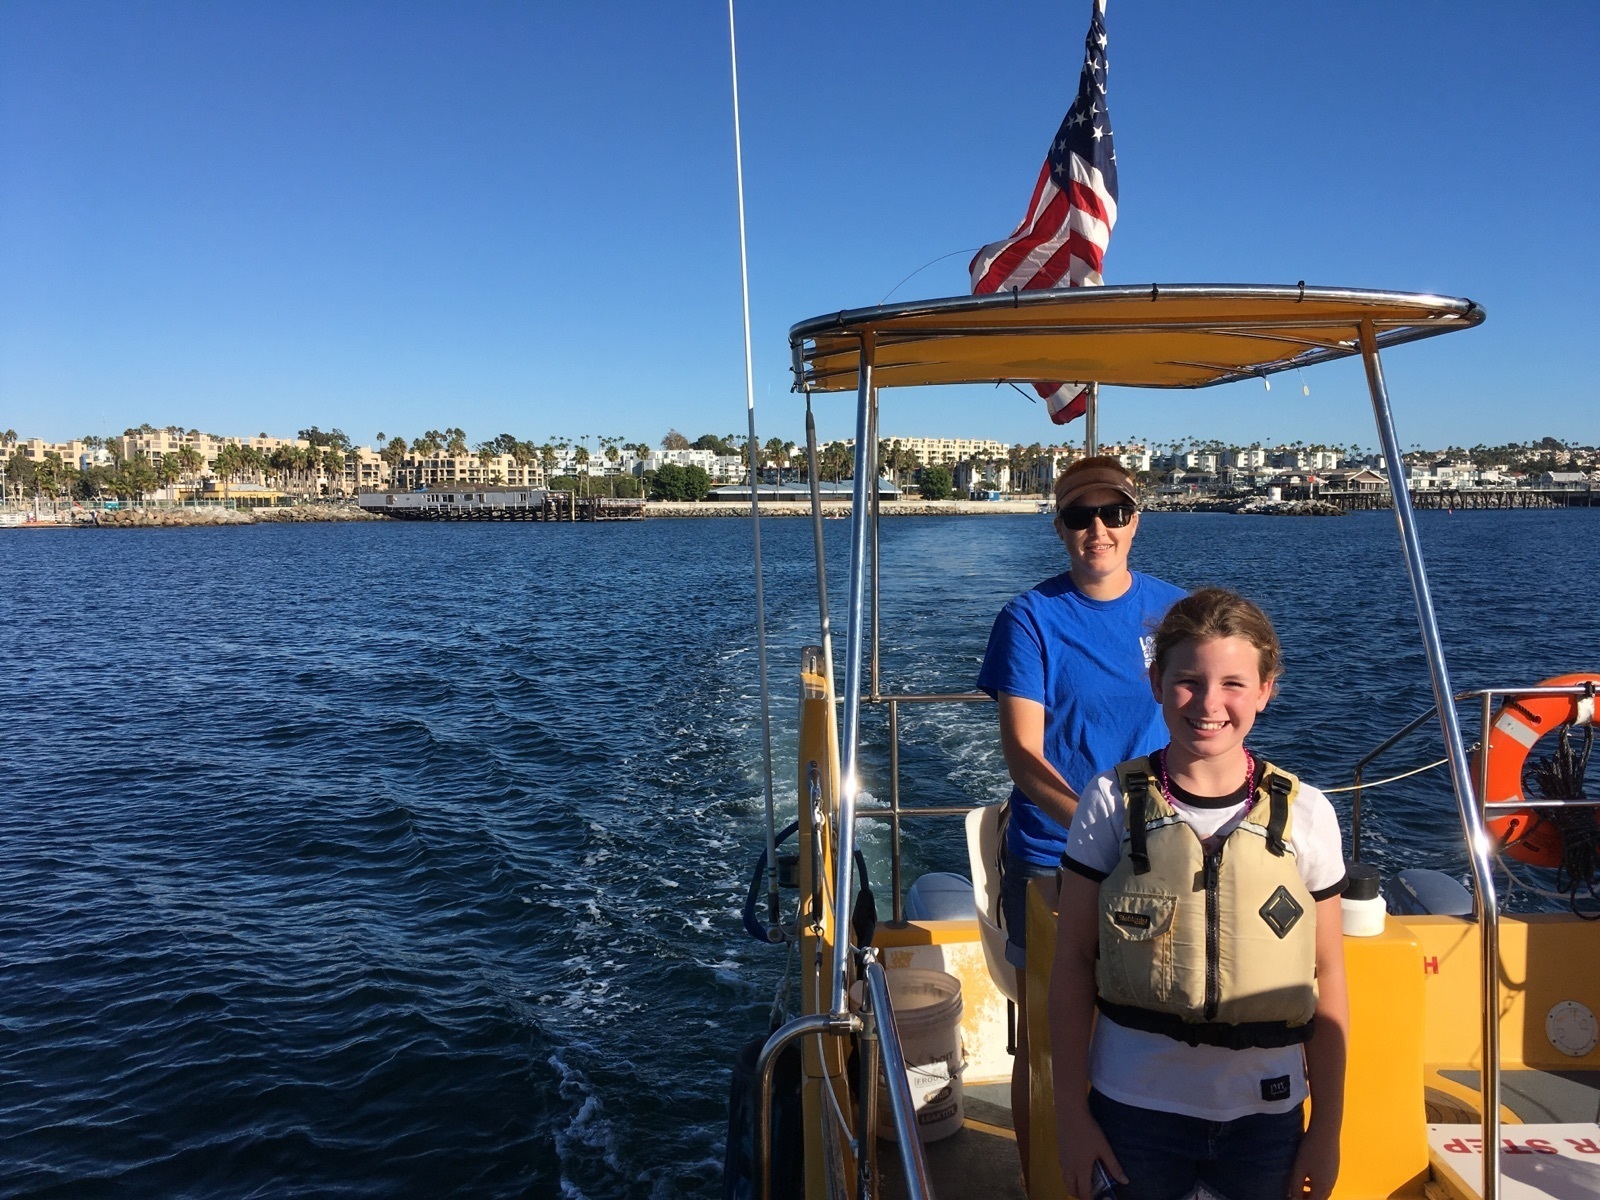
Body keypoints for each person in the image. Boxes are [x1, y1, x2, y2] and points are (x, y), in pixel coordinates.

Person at [1049, 589, 1349, 1200]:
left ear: (1266, 689)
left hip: (1267, 1117)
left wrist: (1327, 1129)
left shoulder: (1309, 814)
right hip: (1133, 1109)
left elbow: (1329, 974)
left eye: (1234, 683)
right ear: (1156, 681)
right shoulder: (1110, 803)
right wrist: (1071, 1117)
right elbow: (1074, 962)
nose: (1210, 703)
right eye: (1188, 680)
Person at [977, 456, 1185, 1174]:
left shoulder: (1175, 613)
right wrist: (1109, 834)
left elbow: (1212, 726)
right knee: (1052, 1040)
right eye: (1078, 515)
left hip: (1163, 853)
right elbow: (1027, 760)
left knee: (1160, 1033)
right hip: (1055, 854)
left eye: (1113, 513)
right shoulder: (1030, 620)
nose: (1097, 529)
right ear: (1060, 527)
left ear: (1137, 520)